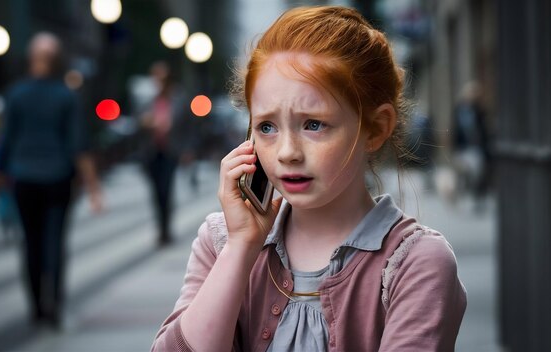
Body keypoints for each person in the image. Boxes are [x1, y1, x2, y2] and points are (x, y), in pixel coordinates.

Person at [152, 6, 466, 351]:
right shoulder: (221, 242)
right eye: (267, 127)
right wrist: (241, 249)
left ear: (375, 128)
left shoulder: (414, 263)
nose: (287, 152)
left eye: (313, 124)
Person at [0, 32, 102, 328]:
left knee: (30, 242)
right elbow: (78, 144)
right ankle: (55, 304)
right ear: (57, 60)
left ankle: (36, 307)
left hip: (23, 176)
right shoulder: (66, 95)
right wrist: (93, 188)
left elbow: (6, 138)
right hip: (57, 177)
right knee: (55, 241)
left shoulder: (15, 94)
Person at [138, 61, 196, 246]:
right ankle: (161, 226)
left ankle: (165, 229)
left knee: (166, 188)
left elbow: (188, 127)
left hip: (171, 151)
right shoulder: (147, 101)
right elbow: (137, 124)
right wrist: (146, 123)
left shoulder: (179, 100)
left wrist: (188, 150)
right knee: (156, 191)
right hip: (151, 152)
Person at [452, 81, 492, 211]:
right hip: (463, 148)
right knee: (462, 174)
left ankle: (477, 199)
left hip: (477, 148)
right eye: (471, 92)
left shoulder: (479, 110)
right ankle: (459, 199)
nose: (472, 95)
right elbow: (455, 129)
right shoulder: (459, 109)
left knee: (477, 173)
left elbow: (484, 129)